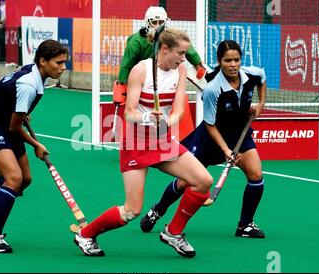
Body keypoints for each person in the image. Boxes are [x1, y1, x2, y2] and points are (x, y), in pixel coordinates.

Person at [74, 28, 213, 258]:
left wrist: (168, 121)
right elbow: (129, 113)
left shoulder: (180, 69)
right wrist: (148, 117)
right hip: (136, 142)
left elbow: (179, 108)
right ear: (165, 49)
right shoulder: (141, 70)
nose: (184, 57)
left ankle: (173, 232)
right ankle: (86, 234)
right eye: (181, 52)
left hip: (163, 140)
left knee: (203, 181)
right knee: (132, 210)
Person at [140, 40, 267, 238]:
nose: (233, 64)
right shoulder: (212, 89)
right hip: (209, 139)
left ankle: (245, 225)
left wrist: (261, 104)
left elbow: (262, 80)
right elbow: (210, 125)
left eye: (236, 60)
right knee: (184, 183)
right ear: (219, 61)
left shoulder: (252, 74)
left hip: (240, 135)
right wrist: (226, 151)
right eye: (227, 60)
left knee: (256, 175)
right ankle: (158, 209)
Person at [0, 40, 68, 253]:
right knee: (14, 178)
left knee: (25, 179)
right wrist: (36, 144)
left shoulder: (35, 74)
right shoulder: (29, 84)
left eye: (64, 62)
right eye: (58, 63)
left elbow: (13, 107)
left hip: (3, 122)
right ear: (43, 61)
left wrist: (20, 111)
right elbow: (14, 126)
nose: (63, 67)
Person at [112, 6, 208, 140]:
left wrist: (198, 65)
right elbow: (127, 63)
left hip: (167, 80)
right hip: (142, 82)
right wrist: (122, 84)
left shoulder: (173, 43)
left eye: (160, 22)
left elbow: (187, 50)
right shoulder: (135, 41)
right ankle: (130, 141)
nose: (157, 26)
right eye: (153, 22)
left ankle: (180, 140)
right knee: (134, 114)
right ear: (147, 22)